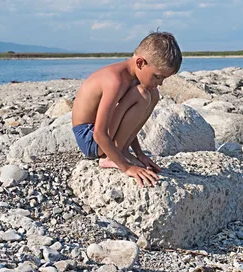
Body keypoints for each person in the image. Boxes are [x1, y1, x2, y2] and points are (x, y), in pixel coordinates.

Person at [71, 31, 182, 187]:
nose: (160, 83)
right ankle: (112, 157)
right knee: (143, 94)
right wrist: (126, 167)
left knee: (153, 94)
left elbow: (124, 121)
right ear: (140, 63)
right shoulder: (115, 81)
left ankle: (121, 150)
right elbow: (99, 133)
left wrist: (139, 153)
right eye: (158, 77)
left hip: (101, 136)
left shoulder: (132, 78)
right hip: (89, 138)